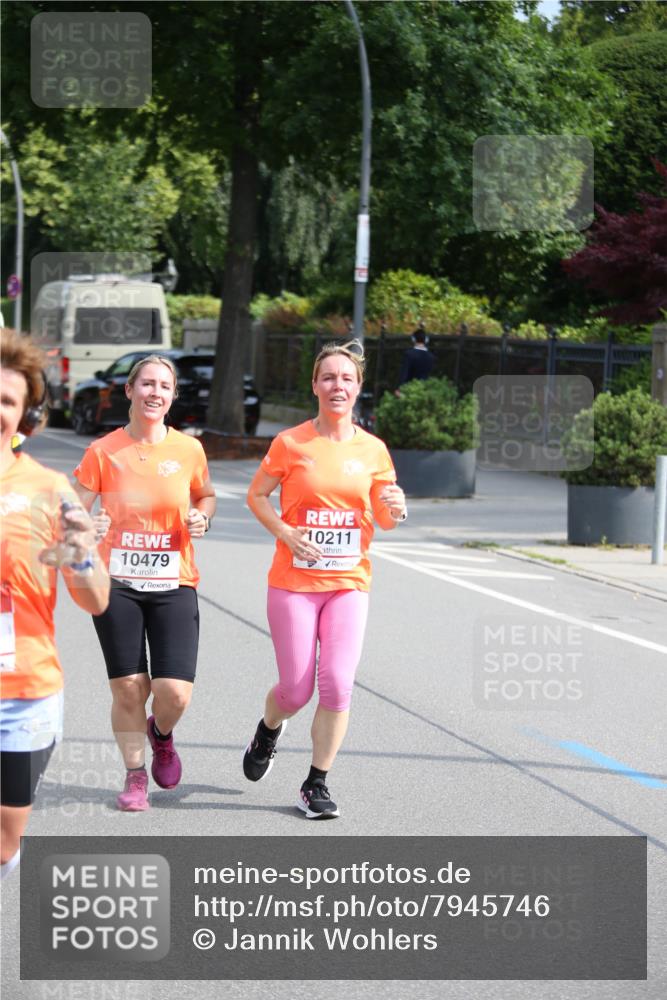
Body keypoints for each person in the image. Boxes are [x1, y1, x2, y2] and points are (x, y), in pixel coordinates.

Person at [243, 340, 407, 819]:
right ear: (315, 385)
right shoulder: (291, 443)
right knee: (296, 691)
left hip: (348, 583)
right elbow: (256, 496)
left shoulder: (373, 450)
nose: (338, 385)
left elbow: (385, 516)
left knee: (337, 683)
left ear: (358, 389)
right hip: (293, 582)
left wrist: (396, 509)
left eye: (347, 379)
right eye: (329, 377)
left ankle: (316, 784)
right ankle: (269, 727)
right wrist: (285, 533)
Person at [73, 355, 216, 812]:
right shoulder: (103, 451)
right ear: (130, 390)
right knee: (130, 686)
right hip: (117, 583)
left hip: (174, 580)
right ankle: (135, 776)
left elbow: (206, 495)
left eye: (164, 386)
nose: (155, 392)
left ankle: (162, 733)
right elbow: (73, 510)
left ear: (172, 397)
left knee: (175, 691)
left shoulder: (189, 450)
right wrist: (85, 529)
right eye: (147, 384)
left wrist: (202, 518)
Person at [1, 328, 109, 878]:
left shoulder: (49, 489)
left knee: (5, 836)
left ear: (24, 417)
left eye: (7, 401)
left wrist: (81, 552)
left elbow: (95, 600)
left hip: (21, 698)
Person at [396, 325, 435, 393]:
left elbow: (404, 373)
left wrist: (399, 388)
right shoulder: (431, 356)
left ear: (413, 339)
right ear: (426, 340)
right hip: (425, 389)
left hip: (410, 388)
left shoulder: (409, 354)